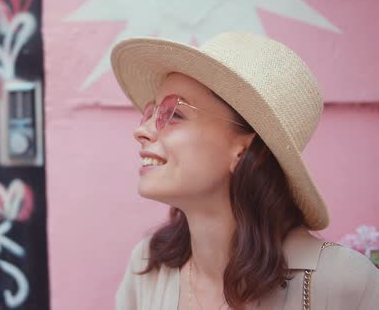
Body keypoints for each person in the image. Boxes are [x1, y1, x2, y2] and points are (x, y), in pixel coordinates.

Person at [110, 32, 379, 309]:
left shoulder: (344, 283)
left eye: (173, 114)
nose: (141, 131)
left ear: (243, 148)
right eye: (151, 112)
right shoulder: (147, 267)